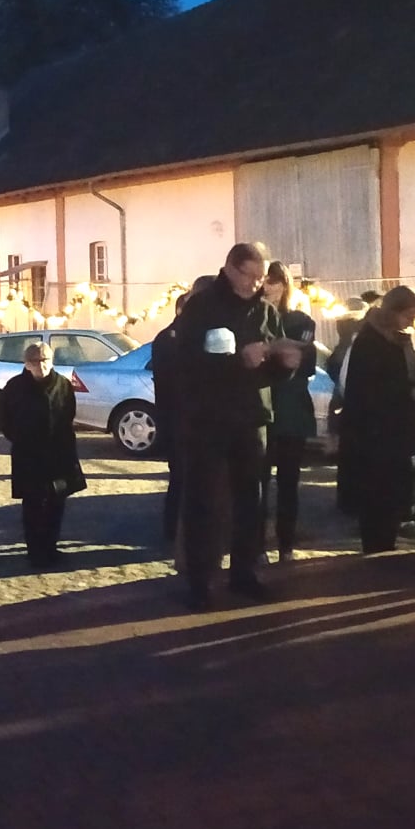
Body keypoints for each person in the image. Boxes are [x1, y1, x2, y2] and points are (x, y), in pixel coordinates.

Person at [171, 242, 306, 608]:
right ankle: (200, 581)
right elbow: (185, 364)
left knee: (253, 500)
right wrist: (238, 363)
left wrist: (285, 363)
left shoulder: (265, 310)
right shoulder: (201, 307)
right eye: (250, 276)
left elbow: (272, 371)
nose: (256, 284)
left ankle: (244, 573)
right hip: (209, 419)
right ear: (230, 269)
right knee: (205, 503)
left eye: (262, 277)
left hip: (252, 418)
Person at [337, 286, 415, 553]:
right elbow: (370, 389)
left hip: (394, 431)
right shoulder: (371, 341)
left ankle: (384, 545)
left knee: (392, 496)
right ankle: (377, 553)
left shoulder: (395, 338)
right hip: (375, 434)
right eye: (409, 316)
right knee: (378, 498)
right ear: (394, 311)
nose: (411, 323)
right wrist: (411, 392)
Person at [0, 340, 87, 567]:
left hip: (59, 453)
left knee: (56, 503)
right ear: (26, 363)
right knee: (33, 504)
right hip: (29, 454)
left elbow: (69, 413)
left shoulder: (63, 384)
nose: (41, 365)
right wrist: (21, 438)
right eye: (36, 361)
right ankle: (35, 551)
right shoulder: (15, 386)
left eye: (45, 360)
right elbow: (5, 419)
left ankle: (51, 546)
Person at [150, 276, 212, 554]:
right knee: (182, 478)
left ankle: (178, 529)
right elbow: (174, 384)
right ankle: (174, 529)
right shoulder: (171, 338)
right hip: (179, 420)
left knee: (188, 478)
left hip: (186, 419)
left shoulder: (188, 335)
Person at [260, 262, 318, 562]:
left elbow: (304, 363)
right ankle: (256, 545)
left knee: (288, 483)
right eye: (265, 280)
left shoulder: (299, 320)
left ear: (285, 285)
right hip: (259, 412)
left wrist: (278, 350)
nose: (268, 286)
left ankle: (285, 545)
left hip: (291, 412)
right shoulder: (253, 317)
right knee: (256, 482)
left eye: (275, 281)